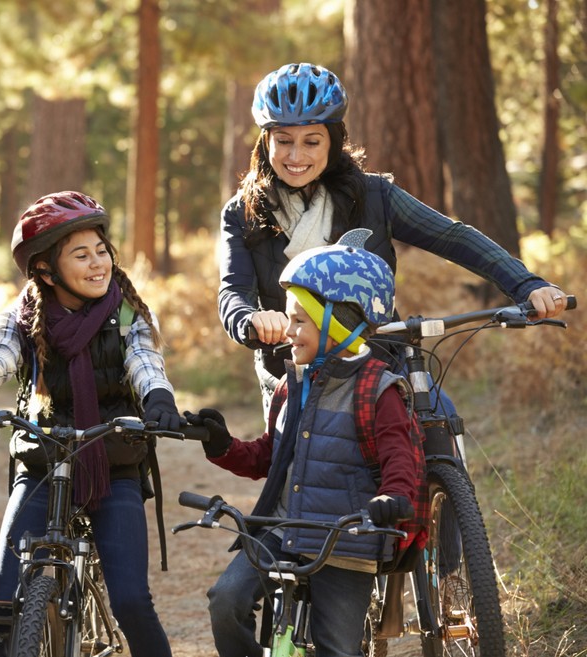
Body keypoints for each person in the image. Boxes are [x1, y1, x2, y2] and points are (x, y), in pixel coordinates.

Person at [218, 62, 568, 420]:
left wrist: (526, 284)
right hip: (292, 375)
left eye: (312, 142)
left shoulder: (374, 196)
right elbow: (233, 292)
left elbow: (452, 237)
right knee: (296, 471)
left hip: (380, 364)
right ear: (266, 141)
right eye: (284, 141)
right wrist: (250, 320)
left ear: (333, 141)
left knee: (438, 421)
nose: (296, 156)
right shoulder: (242, 213)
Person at [0, 191, 180, 657]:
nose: (98, 264)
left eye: (101, 251)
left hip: (113, 462)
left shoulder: (127, 311)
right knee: (2, 604)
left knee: (133, 601)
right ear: (46, 272)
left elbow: (145, 361)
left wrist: (158, 398)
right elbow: (0, 353)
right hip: (41, 461)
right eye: (81, 255)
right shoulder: (27, 313)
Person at [188, 237, 423, 657]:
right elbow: (267, 457)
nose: (289, 332)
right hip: (279, 530)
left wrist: (394, 497)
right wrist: (221, 445)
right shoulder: (291, 383)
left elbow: (398, 458)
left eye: (300, 321)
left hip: (346, 541)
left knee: (338, 650)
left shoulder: (377, 388)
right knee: (225, 601)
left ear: (335, 323)